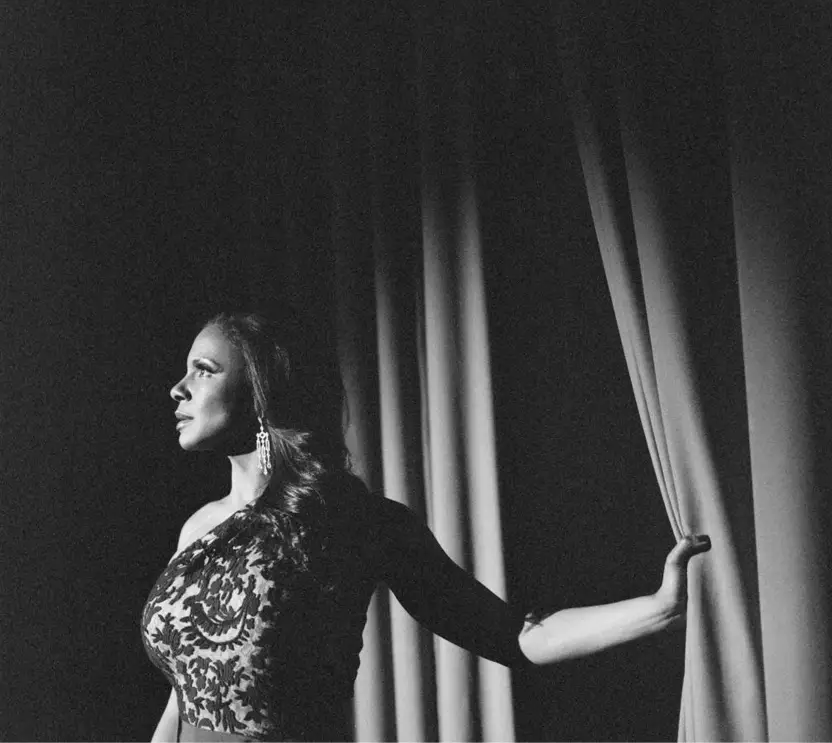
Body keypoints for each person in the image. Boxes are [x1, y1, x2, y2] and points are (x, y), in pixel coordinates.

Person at [143, 311, 711, 743]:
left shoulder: (352, 522)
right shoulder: (198, 527)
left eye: (204, 370)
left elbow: (515, 635)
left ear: (262, 392)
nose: (178, 387)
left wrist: (659, 609)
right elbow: (181, 695)